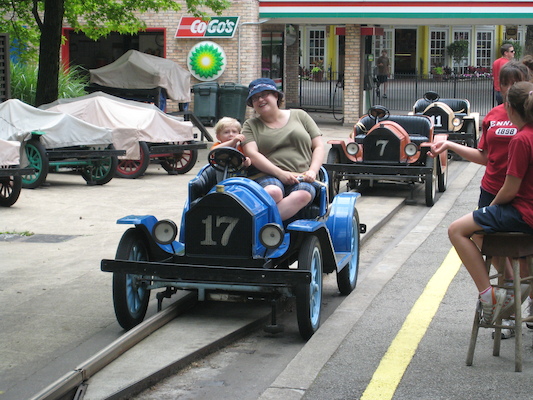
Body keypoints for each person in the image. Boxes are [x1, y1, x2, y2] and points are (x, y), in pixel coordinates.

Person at [431, 61, 531, 335]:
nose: (509, 88)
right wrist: (451, 144)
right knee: (485, 240)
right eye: (505, 82)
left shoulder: (525, 132)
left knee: (522, 253)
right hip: (496, 190)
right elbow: (484, 156)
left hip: (516, 195)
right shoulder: (495, 117)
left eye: (516, 82)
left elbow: (516, 178)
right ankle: (507, 299)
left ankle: (517, 299)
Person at [241, 78, 325, 221]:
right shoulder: (250, 125)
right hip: (268, 176)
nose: (260, 99)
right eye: (255, 98)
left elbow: (318, 146)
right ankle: (261, 231)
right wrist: (280, 174)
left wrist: (312, 171)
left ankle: (257, 227)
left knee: (303, 195)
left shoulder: (300, 115)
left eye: (264, 94)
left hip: (302, 177)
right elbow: (252, 154)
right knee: (273, 192)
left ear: (276, 96)